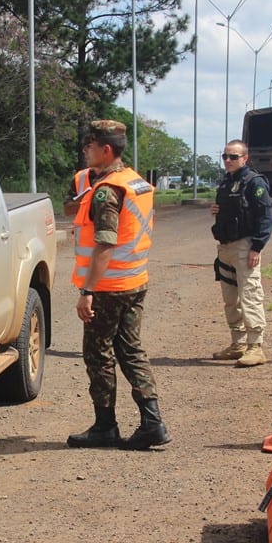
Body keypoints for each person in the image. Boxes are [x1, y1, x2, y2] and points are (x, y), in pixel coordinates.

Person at [65, 119, 171, 451]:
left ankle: (105, 427)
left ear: (105, 150)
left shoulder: (108, 191)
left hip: (108, 287)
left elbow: (105, 244)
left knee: (98, 355)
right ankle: (152, 422)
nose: (85, 151)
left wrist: (88, 292)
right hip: (135, 282)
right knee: (131, 350)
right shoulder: (134, 182)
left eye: (89, 146)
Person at [209, 140, 272, 367]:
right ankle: (238, 343)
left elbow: (265, 217)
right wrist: (217, 210)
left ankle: (255, 347)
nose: (228, 160)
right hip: (225, 247)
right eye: (225, 156)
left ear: (245, 158)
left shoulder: (254, 183)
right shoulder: (226, 182)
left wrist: (257, 247)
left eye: (233, 157)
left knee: (250, 295)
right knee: (230, 298)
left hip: (245, 247)